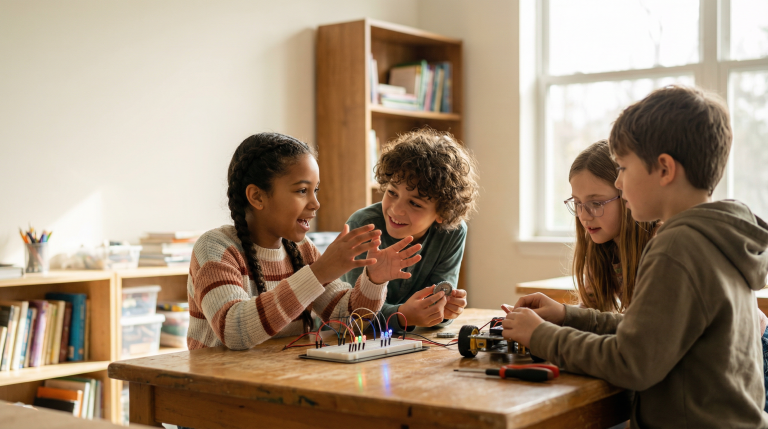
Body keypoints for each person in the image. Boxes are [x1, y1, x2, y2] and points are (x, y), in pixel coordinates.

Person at [503, 85, 768, 427]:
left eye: (624, 168)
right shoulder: (715, 235)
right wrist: (568, 316)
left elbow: (630, 362)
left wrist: (540, 336)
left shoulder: (677, 247)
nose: (619, 181)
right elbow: (646, 332)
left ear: (664, 169)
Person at [187, 132, 422, 350]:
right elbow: (234, 330)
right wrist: (319, 272)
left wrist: (374, 280)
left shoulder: (301, 250)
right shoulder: (215, 248)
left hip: (280, 378)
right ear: (257, 196)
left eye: (315, 190)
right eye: (302, 191)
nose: (315, 204)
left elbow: (348, 322)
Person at [341, 128, 478, 331]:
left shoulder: (453, 232)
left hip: (408, 346)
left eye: (414, 203)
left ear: (442, 213)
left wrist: (444, 311)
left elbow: (436, 303)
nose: (396, 209)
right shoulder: (363, 226)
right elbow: (355, 316)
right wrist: (403, 316)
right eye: (392, 192)